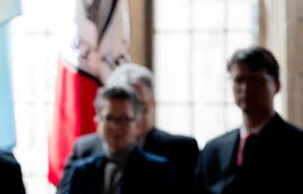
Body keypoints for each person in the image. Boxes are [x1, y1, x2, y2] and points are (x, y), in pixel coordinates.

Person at [57, 63, 198, 193]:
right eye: (111, 117)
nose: (117, 126)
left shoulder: (180, 149)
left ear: (152, 103)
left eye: (138, 104)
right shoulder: (85, 151)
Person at [195, 46, 303, 193]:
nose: (245, 88)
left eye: (255, 80)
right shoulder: (213, 149)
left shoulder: (297, 144)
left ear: (277, 86)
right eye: (239, 80)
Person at [63, 85, 175, 193]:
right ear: (97, 124)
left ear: (138, 125)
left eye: (124, 119)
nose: (116, 126)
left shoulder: (157, 170)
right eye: (109, 118)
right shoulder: (82, 170)